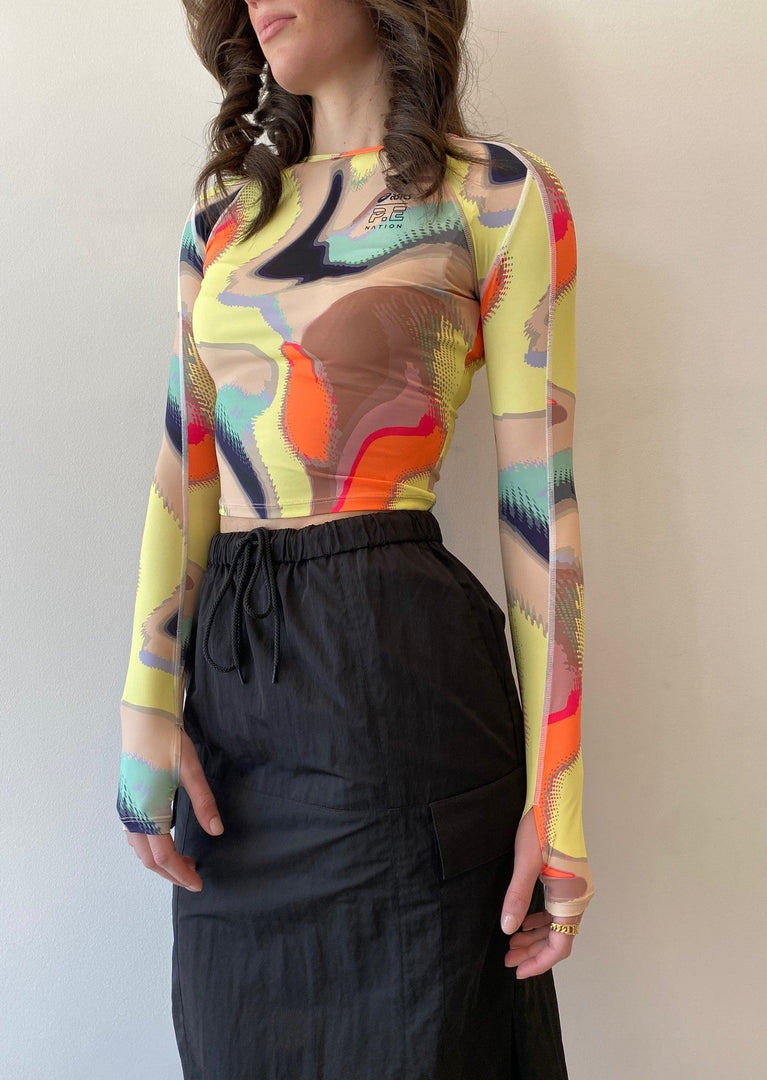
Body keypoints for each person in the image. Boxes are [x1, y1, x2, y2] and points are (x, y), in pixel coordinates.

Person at [116, 0, 596, 1076]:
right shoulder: (223, 223)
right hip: (236, 718)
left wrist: (557, 798)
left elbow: (541, 508)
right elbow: (183, 471)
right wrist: (145, 704)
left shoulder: (496, 195)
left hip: (399, 693)